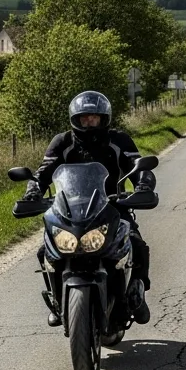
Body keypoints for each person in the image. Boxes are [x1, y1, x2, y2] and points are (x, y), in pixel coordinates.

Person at [23, 91, 155, 325]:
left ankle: (137, 292)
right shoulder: (62, 142)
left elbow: (137, 166)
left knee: (136, 243)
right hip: (69, 210)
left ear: (104, 118)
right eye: (84, 118)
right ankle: (57, 300)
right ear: (75, 119)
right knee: (46, 251)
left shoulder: (119, 140)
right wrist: (33, 192)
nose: (89, 122)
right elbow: (42, 173)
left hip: (112, 205)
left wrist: (143, 185)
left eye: (94, 118)